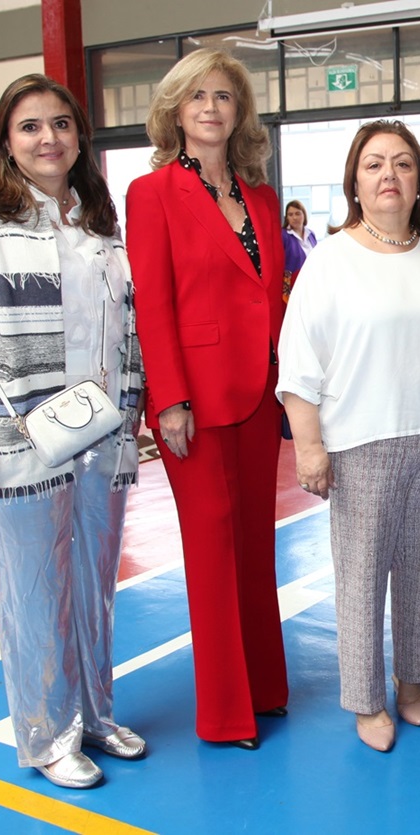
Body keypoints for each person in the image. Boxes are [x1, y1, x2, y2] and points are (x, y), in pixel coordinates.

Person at [0, 74, 145, 789]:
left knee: (94, 586)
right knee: (33, 592)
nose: (49, 138)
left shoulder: (100, 222)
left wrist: (131, 412)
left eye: (61, 124)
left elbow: (126, 329)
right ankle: (49, 736)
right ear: (6, 142)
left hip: (99, 434)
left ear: (80, 136)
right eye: (30, 127)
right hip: (16, 441)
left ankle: (96, 713)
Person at [277, 120, 420, 753]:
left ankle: (413, 683)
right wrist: (309, 446)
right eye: (375, 164)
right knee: (361, 576)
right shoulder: (330, 260)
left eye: (403, 164)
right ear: (355, 182)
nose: (390, 175)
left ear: (419, 182)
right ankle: (364, 700)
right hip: (361, 440)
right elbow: (298, 361)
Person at [126, 48, 288, 750]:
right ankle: (225, 714)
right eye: (197, 96)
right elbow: (153, 305)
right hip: (192, 401)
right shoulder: (152, 192)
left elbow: (271, 297)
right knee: (212, 551)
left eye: (224, 96)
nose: (211, 108)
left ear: (239, 111)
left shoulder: (259, 196)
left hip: (257, 391)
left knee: (255, 545)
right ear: (174, 110)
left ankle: (264, 687)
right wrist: (168, 399)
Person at [281, 198, 317, 300]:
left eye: (297, 213)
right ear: (286, 217)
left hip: (311, 282)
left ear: (304, 215)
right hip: (291, 285)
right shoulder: (283, 236)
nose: (294, 218)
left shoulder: (311, 234)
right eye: (290, 214)